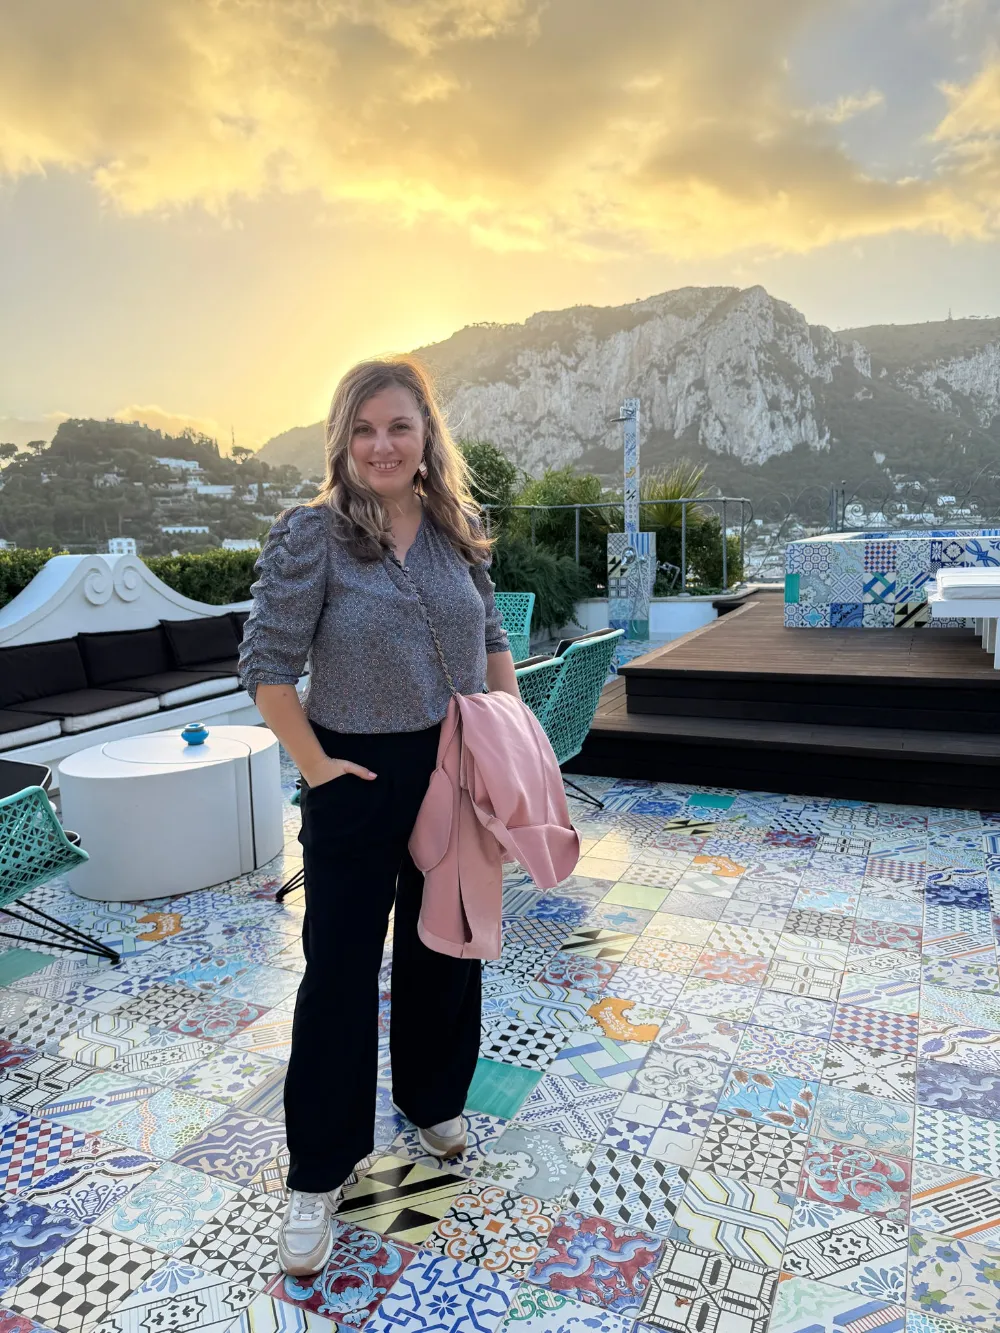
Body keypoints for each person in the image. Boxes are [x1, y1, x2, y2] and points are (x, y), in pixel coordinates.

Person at [237, 356, 518, 1276]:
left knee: (448, 947)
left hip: (452, 766)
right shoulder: (311, 535)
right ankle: (317, 1172)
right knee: (340, 972)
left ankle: (433, 1098)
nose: (381, 445)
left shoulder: (455, 528)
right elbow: (268, 665)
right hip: (353, 773)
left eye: (398, 425)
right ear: (341, 441)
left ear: (427, 433)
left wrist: (507, 745)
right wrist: (317, 768)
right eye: (363, 429)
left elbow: (490, 640)